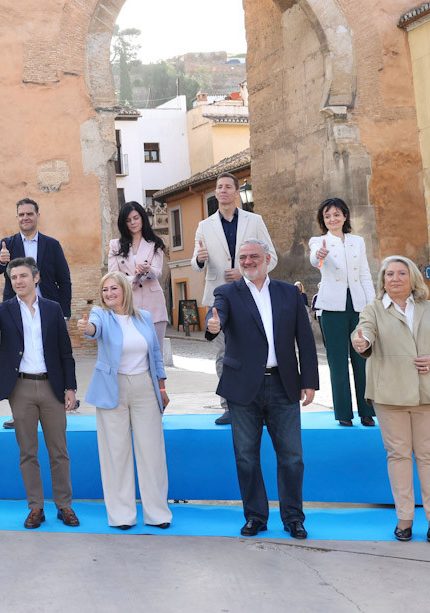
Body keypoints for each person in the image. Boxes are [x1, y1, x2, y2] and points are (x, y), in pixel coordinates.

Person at [205, 238, 318, 539]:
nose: (248, 261)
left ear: (267, 259)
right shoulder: (227, 293)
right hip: (243, 388)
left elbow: (305, 341)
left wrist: (309, 381)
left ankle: (293, 518)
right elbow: (216, 316)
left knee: (292, 457)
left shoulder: (289, 293)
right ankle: (255, 516)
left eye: (253, 256)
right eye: (243, 257)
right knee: (246, 457)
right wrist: (213, 325)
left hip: (284, 384)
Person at [0, 257, 79, 529]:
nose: (18, 281)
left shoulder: (53, 309)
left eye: (23, 276)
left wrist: (70, 387)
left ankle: (64, 505)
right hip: (21, 388)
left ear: (36, 278)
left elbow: (65, 351)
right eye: (13, 278)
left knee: (59, 450)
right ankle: (36, 507)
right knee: (27, 451)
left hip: (52, 387)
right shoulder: (5, 309)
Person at [352, 255, 430, 543]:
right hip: (389, 394)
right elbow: (364, 333)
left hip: (427, 393)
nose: (395, 278)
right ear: (382, 280)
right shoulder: (373, 310)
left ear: (412, 278)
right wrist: (361, 342)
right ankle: (404, 518)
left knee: (429, 456)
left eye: (401, 273)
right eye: (389, 274)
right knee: (398, 456)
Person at [78, 272, 172, 530]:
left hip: (145, 387)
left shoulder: (144, 317)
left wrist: (161, 387)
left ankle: (158, 514)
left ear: (125, 291)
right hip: (112, 388)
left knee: (152, 452)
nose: (108, 294)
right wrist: (87, 328)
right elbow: (93, 330)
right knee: (116, 453)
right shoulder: (100, 315)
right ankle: (121, 515)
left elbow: (155, 354)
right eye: (105, 290)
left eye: (113, 289)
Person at [191, 174, 278, 425]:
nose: (223, 191)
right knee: (223, 353)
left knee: (254, 351)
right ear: (216, 193)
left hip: (253, 296)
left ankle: (257, 404)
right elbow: (196, 264)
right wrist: (199, 259)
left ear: (237, 192)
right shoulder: (204, 226)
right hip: (219, 298)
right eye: (219, 187)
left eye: (228, 187)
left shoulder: (255, 221)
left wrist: (246, 272)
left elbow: (272, 257)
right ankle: (229, 406)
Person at [0, 198, 72, 430]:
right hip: (16, 313)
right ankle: (18, 412)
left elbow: (64, 280)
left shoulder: (52, 245)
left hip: (47, 312)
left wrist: (64, 313)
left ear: (37, 216)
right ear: (16, 217)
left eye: (29, 214)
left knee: (53, 356)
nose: (25, 218)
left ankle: (55, 404)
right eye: (21, 214)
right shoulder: (7, 244)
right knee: (16, 359)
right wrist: (1, 261)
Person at [308, 197, 376, 427]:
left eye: (336, 214)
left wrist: (371, 306)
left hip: (358, 306)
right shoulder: (319, 241)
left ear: (345, 216)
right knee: (337, 363)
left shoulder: (358, 241)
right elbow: (314, 259)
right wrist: (319, 255)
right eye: (327, 216)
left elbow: (364, 274)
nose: (332, 219)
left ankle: (367, 411)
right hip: (331, 307)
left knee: (362, 359)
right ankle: (343, 413)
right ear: (323, 220)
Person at [108, 202, 169, 354]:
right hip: (129, 303)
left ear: (142, 218)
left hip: (154, 304)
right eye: (128, 220)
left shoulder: (156, 243)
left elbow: (158, 272)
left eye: (136, 218)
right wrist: (134, 278)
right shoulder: (115, 245)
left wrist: (148, 270)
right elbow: (113, 275)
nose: (133, 223)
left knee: (156, 353)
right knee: (133, 353)